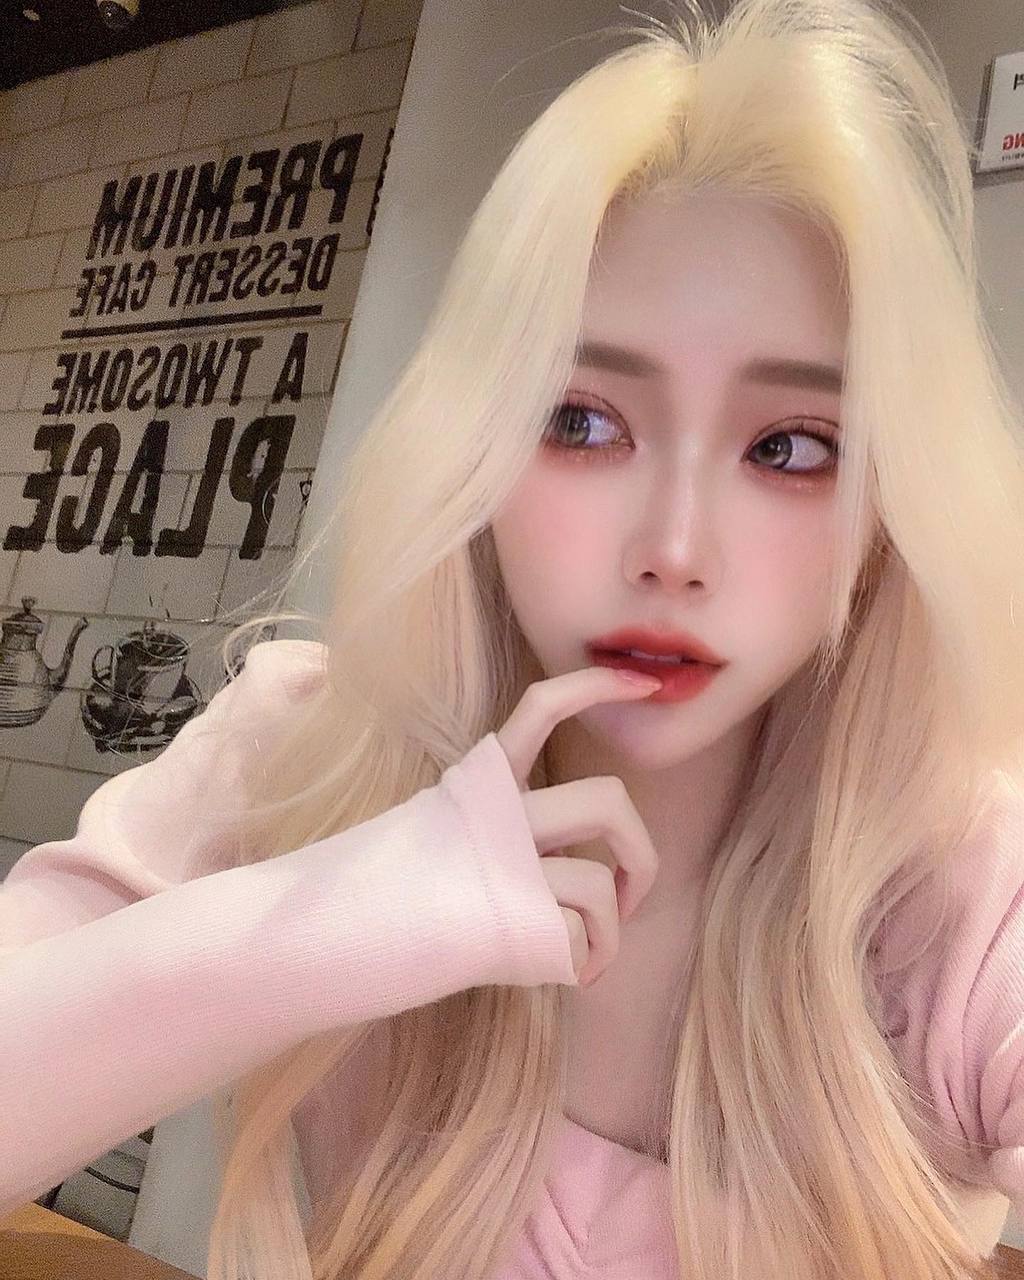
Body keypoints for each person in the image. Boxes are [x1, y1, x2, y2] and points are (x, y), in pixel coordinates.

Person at [3, 0, 1024, 1277]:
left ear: (890, 505)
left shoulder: (966, 887)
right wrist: (324, 917)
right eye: (580, 421)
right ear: (476, 446)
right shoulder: (305, 747)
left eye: (789, 447)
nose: (672, 547)